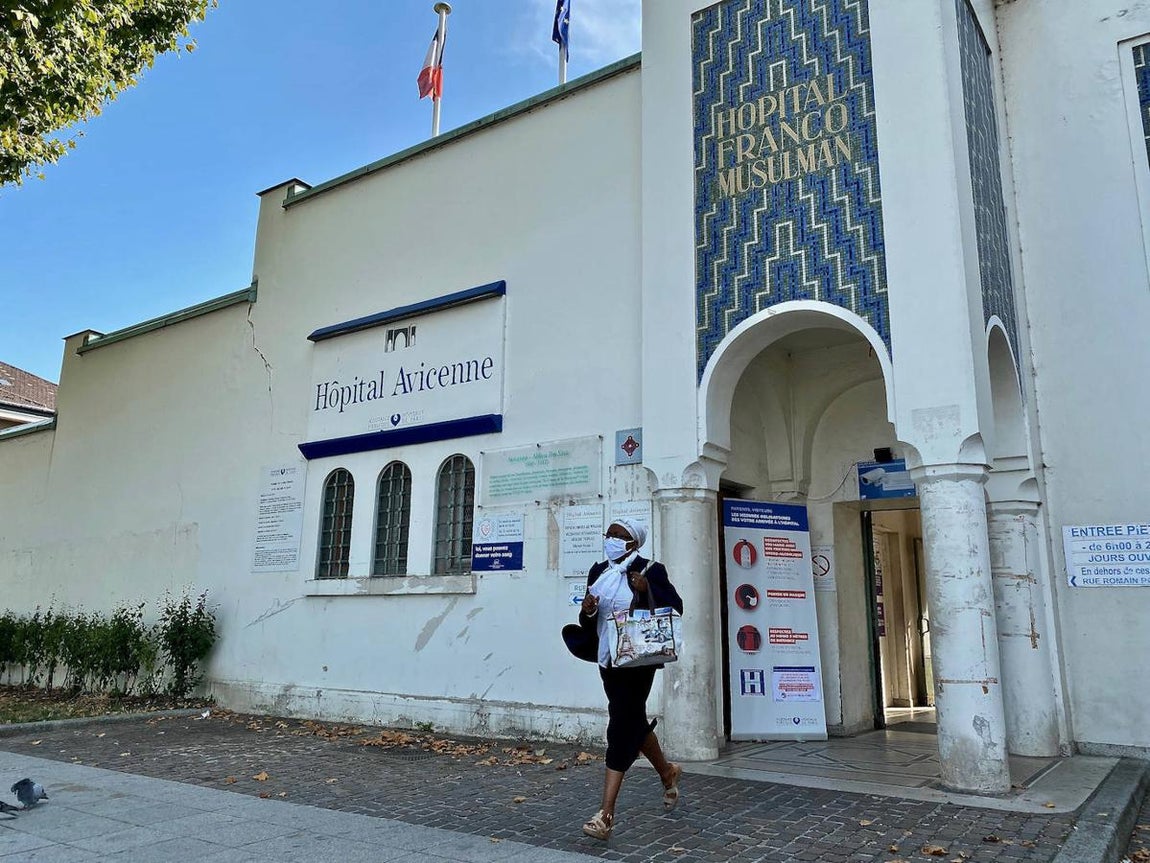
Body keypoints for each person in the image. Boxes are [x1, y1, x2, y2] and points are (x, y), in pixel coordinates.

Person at [561, 518, 684, 841]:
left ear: (633, 542)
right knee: (633, 721)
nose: (611, 539)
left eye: (619, 535)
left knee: (620, 725)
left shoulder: (649, 569)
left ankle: (605, 814)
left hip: (639, 660)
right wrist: (587, 610)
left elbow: (676, 606)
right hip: (608, 659)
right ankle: (667, 772)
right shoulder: (598, 571)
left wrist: (647, 591)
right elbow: (590, 619)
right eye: (610, 534)